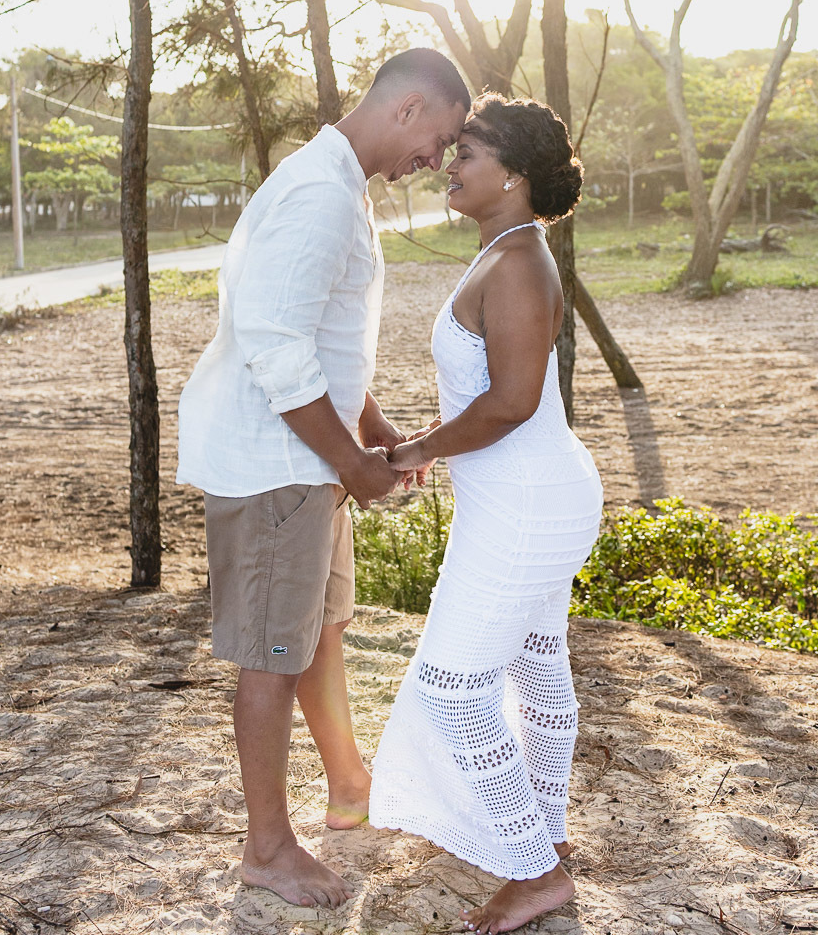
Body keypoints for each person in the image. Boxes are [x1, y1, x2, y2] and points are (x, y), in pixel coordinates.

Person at [176, 48, 469, 910]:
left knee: (318, 629)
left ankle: (348, 781)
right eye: (439, 138)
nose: (436, 160)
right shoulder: (318, 193)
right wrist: (351, 464)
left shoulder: (338, 183)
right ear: (409, 109)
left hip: (310, 460)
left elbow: (320, 332)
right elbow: (274, 345)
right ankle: (267, 849)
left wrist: (371, 428)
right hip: (279, 468)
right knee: (272, 652)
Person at [369, 94, 604, 935]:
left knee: (451, 689)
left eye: (468, 151)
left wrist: (413, 449)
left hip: (526, 502)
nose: (450, 163)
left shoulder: (514, 263)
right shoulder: (509, 252)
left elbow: (509, 403)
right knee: (537, 661)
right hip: (526, 496)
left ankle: (535, 869)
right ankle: (548, 837)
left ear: (513, 175)